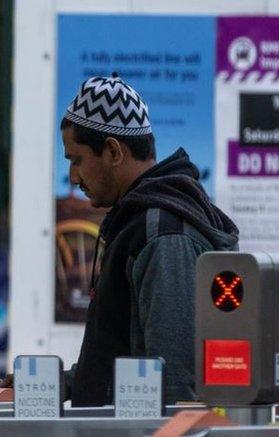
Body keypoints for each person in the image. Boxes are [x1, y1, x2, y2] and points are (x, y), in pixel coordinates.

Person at [59, 74, 239, 406]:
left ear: (113, 151)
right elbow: (123, 354)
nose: (72, 177)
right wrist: (65, 383)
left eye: (76, 159)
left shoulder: (163, 234)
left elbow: (173, 380)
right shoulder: (139, 223)